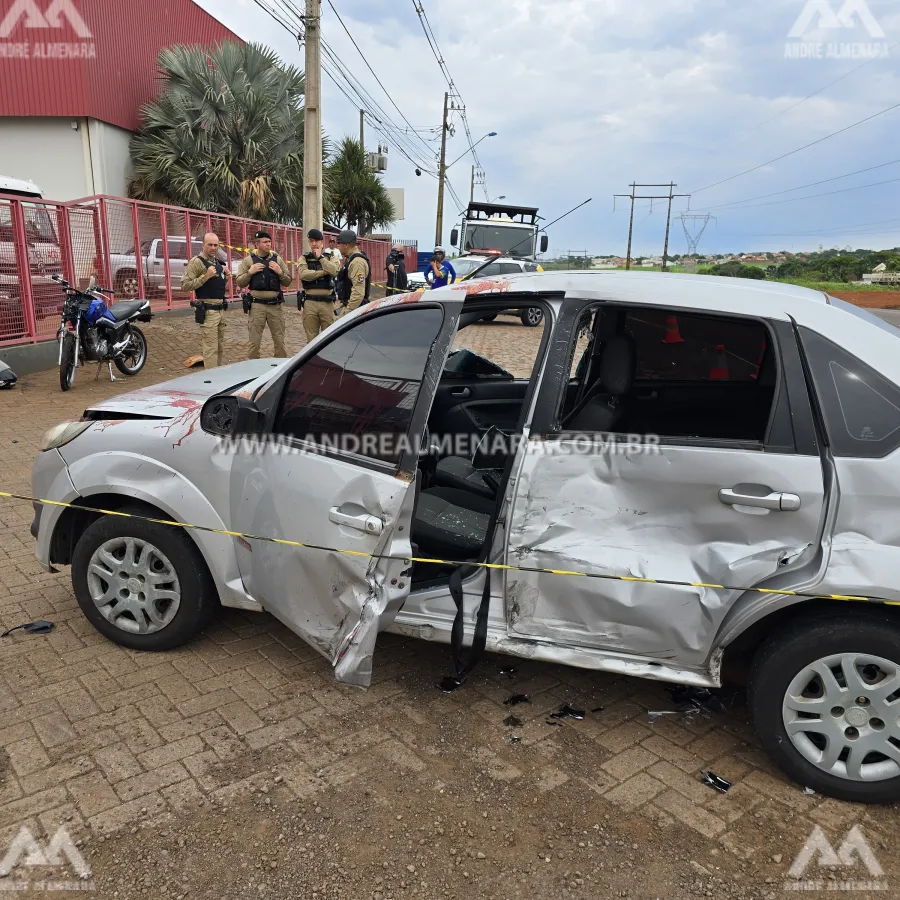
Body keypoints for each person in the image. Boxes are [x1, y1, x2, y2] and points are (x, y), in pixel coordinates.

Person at [235, 230, 293, 359]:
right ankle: (253, 368)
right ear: (257, 244)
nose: (268, 244)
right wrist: (250, 272)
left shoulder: (277, 259)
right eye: (265, 242)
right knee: (254, 342)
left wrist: (279, 272)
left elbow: (288, 281)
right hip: (257, 306)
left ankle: (280, 367)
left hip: (275, 306)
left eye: (269, 242)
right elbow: (240, 282)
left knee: (279, 341)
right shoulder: (249, 261)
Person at [181, 232, 231, 368]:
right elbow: (185, 285)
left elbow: (214, 288)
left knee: (220, 347)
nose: (213, 248)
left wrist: (225, 279)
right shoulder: (197, 262)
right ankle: (210, 381)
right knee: (210, 349)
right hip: (208, 312)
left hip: (220, 311)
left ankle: (218, 375)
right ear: (203, 245)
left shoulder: (217, 263)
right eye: (210, 245)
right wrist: (206, 276)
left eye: (216, 245)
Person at [297, 228, 341, 342]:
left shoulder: (330, 257)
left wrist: (321, 258)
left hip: (326, 303)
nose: (314, 244)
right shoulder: (304, 258)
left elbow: (334, 271)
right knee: (311, 338)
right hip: (309, 302)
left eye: (316, 241)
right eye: (311, 241)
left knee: (329, 337)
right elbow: (303, 274)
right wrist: (323, 272)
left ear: (322, 242)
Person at [335, 229, 370, 315]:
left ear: (346, 245)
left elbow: (358, 293)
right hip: (352, 307)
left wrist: (347, 314)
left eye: (339, 243)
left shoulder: (357, 262)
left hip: (356, 310)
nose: (337, 246)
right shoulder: (350, 259)